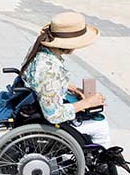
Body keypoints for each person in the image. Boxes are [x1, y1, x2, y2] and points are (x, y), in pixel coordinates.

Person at [20, 12, 110, 147]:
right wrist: (87, 103)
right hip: (48, 118)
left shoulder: (40, 50)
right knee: (100, 125)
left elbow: (40, 81)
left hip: (34, 104)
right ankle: (102, 162)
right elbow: (54, 115)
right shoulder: (50, 69)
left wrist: (71, 88)